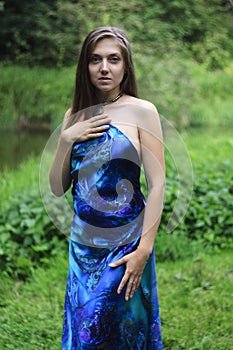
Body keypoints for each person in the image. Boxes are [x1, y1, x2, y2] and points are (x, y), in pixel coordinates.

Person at [49, 26, 165, 350]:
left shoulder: (143, 111)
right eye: (95, 59)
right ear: (84, 66)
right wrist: (65, 138)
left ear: (125, 65)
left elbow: (157, 186)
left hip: (126, 243)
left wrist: (143, 250)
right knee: (85, 333)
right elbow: (58, 188)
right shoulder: (74, 115)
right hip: (83, 245)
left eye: (113, 59)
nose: (104, 68)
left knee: (122, 328)